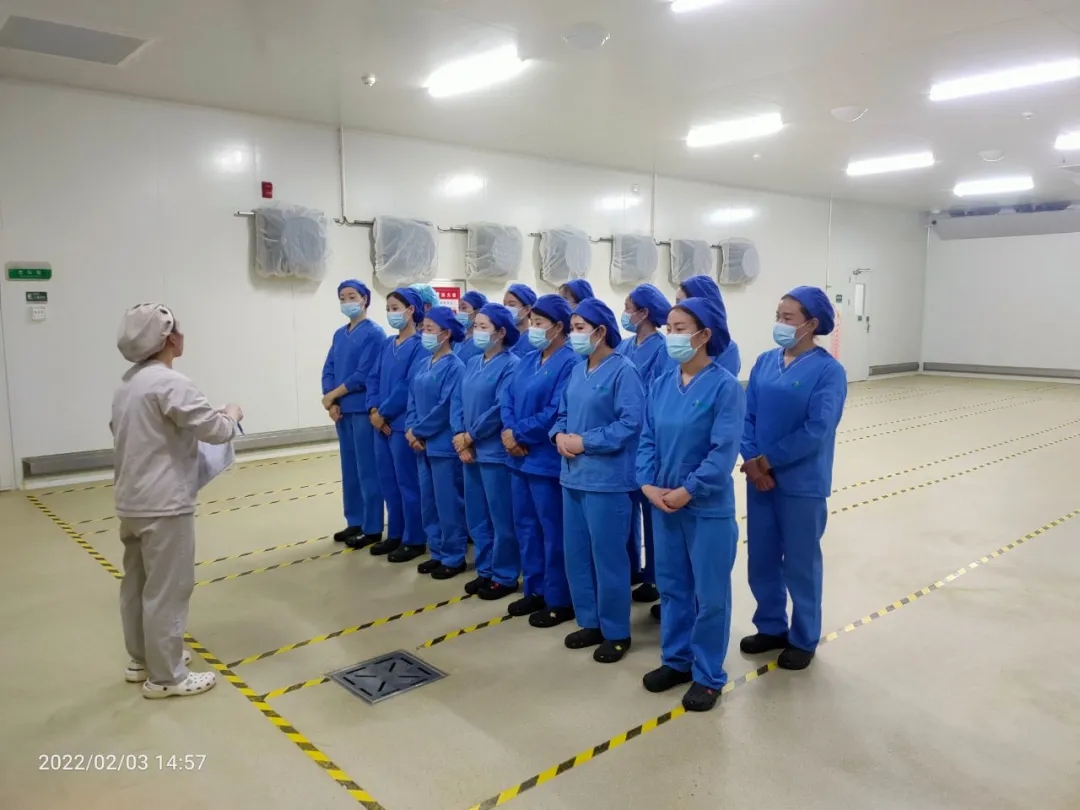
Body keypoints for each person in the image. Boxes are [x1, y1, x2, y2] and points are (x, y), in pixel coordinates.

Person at [112, 304, 242, 699]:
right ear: (169, 338)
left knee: (137, 585)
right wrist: (231, 414)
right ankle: (167, 676)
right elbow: (215, 430)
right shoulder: (170, 383)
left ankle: (143, 660)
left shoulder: (128, 384)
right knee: (168, 589)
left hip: (132, 501)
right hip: (165, 504)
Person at [637, 296, 745, 712]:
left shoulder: (724, 388)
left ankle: (708, 674)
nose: (671, 336)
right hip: (664, 505)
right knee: (673, 588)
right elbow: (647, 439)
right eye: (669, 328)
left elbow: (722, 452)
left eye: (680, 329)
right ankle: (677, 660)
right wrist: (648, 485)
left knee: (710, 595)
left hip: (705, 509)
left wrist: (689, 490)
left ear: (704, 335)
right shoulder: (662, 385)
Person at [740, 286, 847, 671]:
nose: (780, 324)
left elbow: (817, 428)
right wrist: (752, 460)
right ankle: (771, 626)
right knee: (762, 558)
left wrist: (769, 461)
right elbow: (748, 416)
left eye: (788, 318)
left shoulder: (828, 372)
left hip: (801, 483)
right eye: (778, 317)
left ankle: (803, 637)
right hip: (760, 480)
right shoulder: (765, 362)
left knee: (800, 562)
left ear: (811, 324)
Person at [553, 299, 644, 663]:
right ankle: (589, 621)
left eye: (579, 328)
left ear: (601, 331)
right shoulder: (578, 370)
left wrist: (586, 442)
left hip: (607, 481)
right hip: (573, 478)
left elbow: (630, 424)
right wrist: (559, 435)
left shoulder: (624, 371)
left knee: (608, 559)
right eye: (572, 328)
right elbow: (563, 412)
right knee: (577, 556)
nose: (573, 335)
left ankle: (616, 631)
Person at [501, 294, 578, 628]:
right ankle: (535, 588)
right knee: (526, 527)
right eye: (531, 322)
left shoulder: (570, 362)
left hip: (545, 460)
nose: (531, 328)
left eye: (538, 323)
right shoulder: (529, 359)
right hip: (518, 459)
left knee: (552, 531)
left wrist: (519, 433)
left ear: (558, 327)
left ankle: (559, 598)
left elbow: (555, 411)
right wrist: (508, 431)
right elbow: (507, 397)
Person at [451, 303, 522, 599]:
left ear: (501, 332)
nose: (477, 331)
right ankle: (485, 569)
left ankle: (505, 574)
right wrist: (459, 434)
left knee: (500, 518)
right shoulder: (472, 363)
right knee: (478, 516)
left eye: (484, 327)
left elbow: (499, 409)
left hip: (493, 453)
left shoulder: (511, 365)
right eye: (476, 326)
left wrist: (472, 436)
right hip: (469, 452)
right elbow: (458, 400)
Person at [616, 283, 672, 606]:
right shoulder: (624, 347)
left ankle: (655, 577)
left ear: (644, 312)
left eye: (628, 308)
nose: (625, 314)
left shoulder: (663, 350)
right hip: (622, 445)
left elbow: (659, 395)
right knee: (625, 513)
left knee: (652, 518)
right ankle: (632, 568)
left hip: (647, 443)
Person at [321, 280, 386, 550]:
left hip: (361, 409)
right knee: (349, 470)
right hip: (342, 412)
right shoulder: (339, 335)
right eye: (342, 297)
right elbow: (329, 368)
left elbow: (363, 374)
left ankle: (372, 527)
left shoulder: (374, 334)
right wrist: (331, 402)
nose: (347, 301)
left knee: (367, 469)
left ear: (365, 299)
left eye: (352, 296)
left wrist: (334, 394)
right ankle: (355, 520)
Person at [367, 288, 428, 562]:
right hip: (380, 425)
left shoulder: (419, 346)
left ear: (411, 310)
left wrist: (384, 413)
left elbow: (407, 385)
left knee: (408, 483)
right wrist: (373, 409)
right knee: (388, 482)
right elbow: (373, 377)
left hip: (401, 424)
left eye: (395, 308)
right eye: (388, 309)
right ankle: (396, 533)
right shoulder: (387, 344)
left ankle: (414, 538)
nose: (391, 313)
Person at [407, 307, 469, 578]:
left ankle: (454, 556)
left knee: (448, 504)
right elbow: (412, 398)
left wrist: (420, 431)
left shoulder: (455, 367)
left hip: (442, 445)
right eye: (424, 328)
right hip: (422, 445)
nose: (424, 333)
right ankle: (437, 551)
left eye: (430, 329)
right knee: (429, 502)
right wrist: (411, 428)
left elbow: (445, 408)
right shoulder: (423, 364)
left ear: (446, 334)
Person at [676, 275, 741, 378]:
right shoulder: (674, 345)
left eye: (682, 303)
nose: (676, 309)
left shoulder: (727, 350)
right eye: (677, 303)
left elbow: (721, 385)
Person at [503, 283, 538, 359]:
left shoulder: (534, 341)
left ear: (527, 309)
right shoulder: (501, 337)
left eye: (512, 305)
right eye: (504, 304)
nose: (506, 308)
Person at [454, 290, 489, 365]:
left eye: (464, 308)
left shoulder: (482, 340)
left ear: (477, 311)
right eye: (459, 308)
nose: (460, 312)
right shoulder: (460, 338)